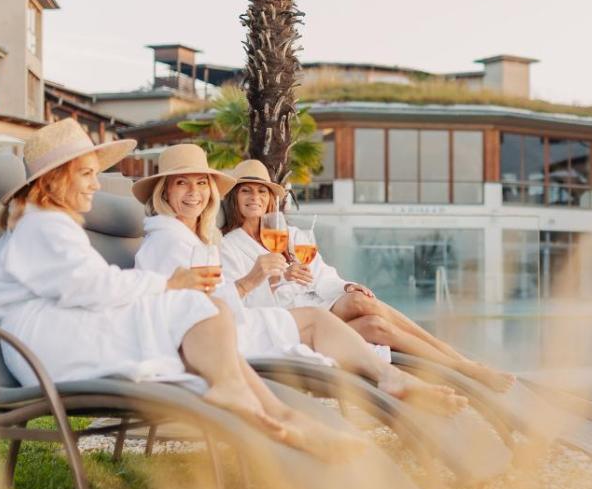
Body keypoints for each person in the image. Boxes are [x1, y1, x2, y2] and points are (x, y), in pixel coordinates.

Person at [0, 119, 361, 462]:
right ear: (55, 179)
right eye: (87, 174)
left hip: (57, 335)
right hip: (49, 347)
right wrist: (167, 283)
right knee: (195, 308)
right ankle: (260, 405)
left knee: (202, 310)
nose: (96, 183)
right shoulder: (44, 226)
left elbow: (84, 286)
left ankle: (268, 409)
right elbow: (90, 286)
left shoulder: (42, 223)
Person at [133, 145, 466, 416]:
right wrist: (257, 281)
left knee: (351, 310)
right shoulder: (175, 242)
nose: (194, 192)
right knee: (346, 322)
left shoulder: (197, 238)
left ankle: (430, 367)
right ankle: (411, 373)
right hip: (212, 338)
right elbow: (194, 308)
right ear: (165, 191)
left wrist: (340, 286)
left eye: (202, 183)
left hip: (243, 320)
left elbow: (320, 274)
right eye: (182, 183)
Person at [220, 160, 516, 393]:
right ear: (234, 197)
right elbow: (240, 307)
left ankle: (459, 361)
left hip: (319, 306)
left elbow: (321, 276)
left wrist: (346, 285)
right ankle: (463, 368)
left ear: (270, 199)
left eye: (261, 191)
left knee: (362, 302)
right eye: (246, 191)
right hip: (291, 324)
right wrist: (275, 279)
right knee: (375, 325)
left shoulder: (290, 234)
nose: (255, 197)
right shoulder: (228, 246)